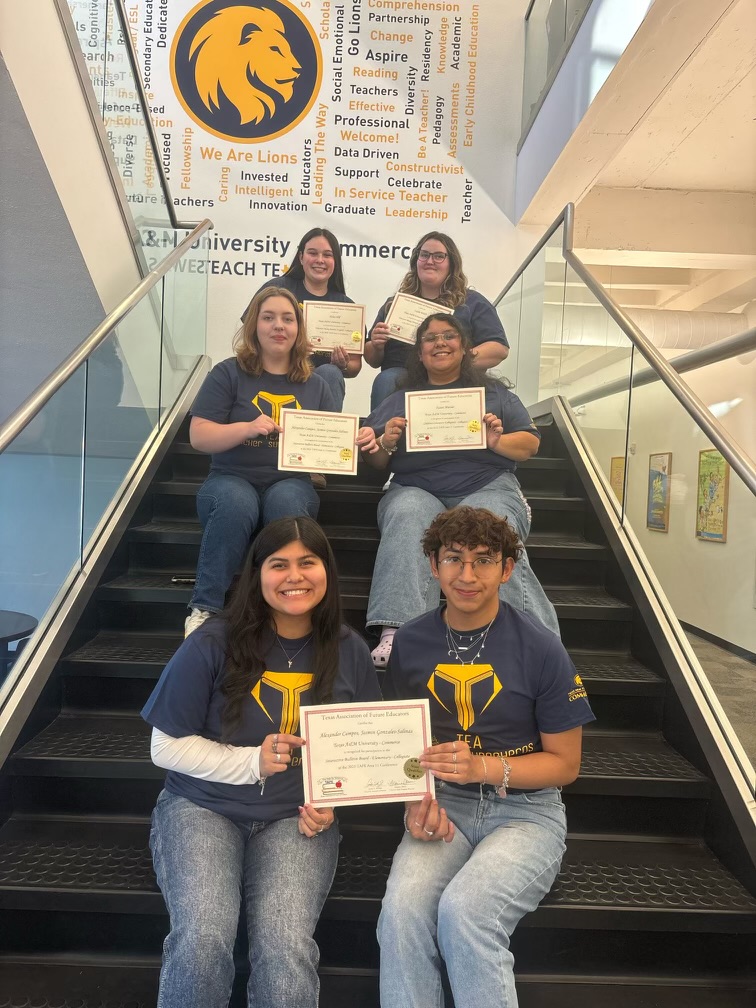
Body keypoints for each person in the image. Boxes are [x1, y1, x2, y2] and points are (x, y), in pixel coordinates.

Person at [142, 517, 382, 1008]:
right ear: (258, 574)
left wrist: (334, 799)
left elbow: (366, 748)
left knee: (284, 944)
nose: (295, 576)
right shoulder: (212, 642)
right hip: (202, 808)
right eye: (279, 565)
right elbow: (163, 747)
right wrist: (252, 762)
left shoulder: (349, 649)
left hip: (295, 819)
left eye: (307, 563)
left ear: (327, 572)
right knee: (205, 935)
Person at [377, 506, 595, 1008]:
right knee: (401, 913)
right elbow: (401, 743)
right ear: (433, 566)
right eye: (454, 559)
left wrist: (483, 767)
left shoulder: (542, 648)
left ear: (507, 570)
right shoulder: (409, 642)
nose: (467, 575)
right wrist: (415, 799)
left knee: (467, 911)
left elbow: (566, 764)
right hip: (444, 807)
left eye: (483, 560)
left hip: (526, 814)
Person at [356, 313, 559, 668]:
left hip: (487, 484)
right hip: (414, 486)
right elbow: (375, 461)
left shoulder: (494, 393)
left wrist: (496, 441)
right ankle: (398, 635)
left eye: (448, 336)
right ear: (419, 353)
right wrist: (385, 443)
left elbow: (529, 445)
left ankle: (535, 641)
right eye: (430, 339)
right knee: (406, 515)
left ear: (465, 348)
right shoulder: (401, 397)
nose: (439, 343)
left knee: (485, 525)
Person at [184, 287, 336, 636]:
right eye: (268, 317)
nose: (278, 326)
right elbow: (199, 436)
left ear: (298, 328)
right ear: (255, 325)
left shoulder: (316, 385)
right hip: (229, 476)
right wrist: (246, 427)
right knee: (236, 502)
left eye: (287, 318)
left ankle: (288, 608)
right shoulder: (227, 373)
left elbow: (325, 448)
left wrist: (350, 443)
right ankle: (205, 608)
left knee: (288, 501)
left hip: (290, 480)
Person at [364, 232, 509, 409]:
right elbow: (372, 359)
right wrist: (377, 345)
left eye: (439, 256)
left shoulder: (472, 302)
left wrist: (456, 361)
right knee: (387, 379)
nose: (430, 261)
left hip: (455, 379)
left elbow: (498, 349)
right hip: (401, 378)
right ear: (416, 261)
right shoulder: (394, 305)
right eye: (424, 255)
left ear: (451, 263)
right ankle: (380, 436)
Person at [243, 228, 362, 412]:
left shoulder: (346, 306)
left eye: (327, 255)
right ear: (301, 257)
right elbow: (250, 331)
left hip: (319, 383)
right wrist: (291, 348)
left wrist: (343, 364)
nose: (320, 260)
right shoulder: (278, 288)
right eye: (312, 253)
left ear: (335, 261)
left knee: (330, 372)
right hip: (277, 371)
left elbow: (355, 366)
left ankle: (324, 437)